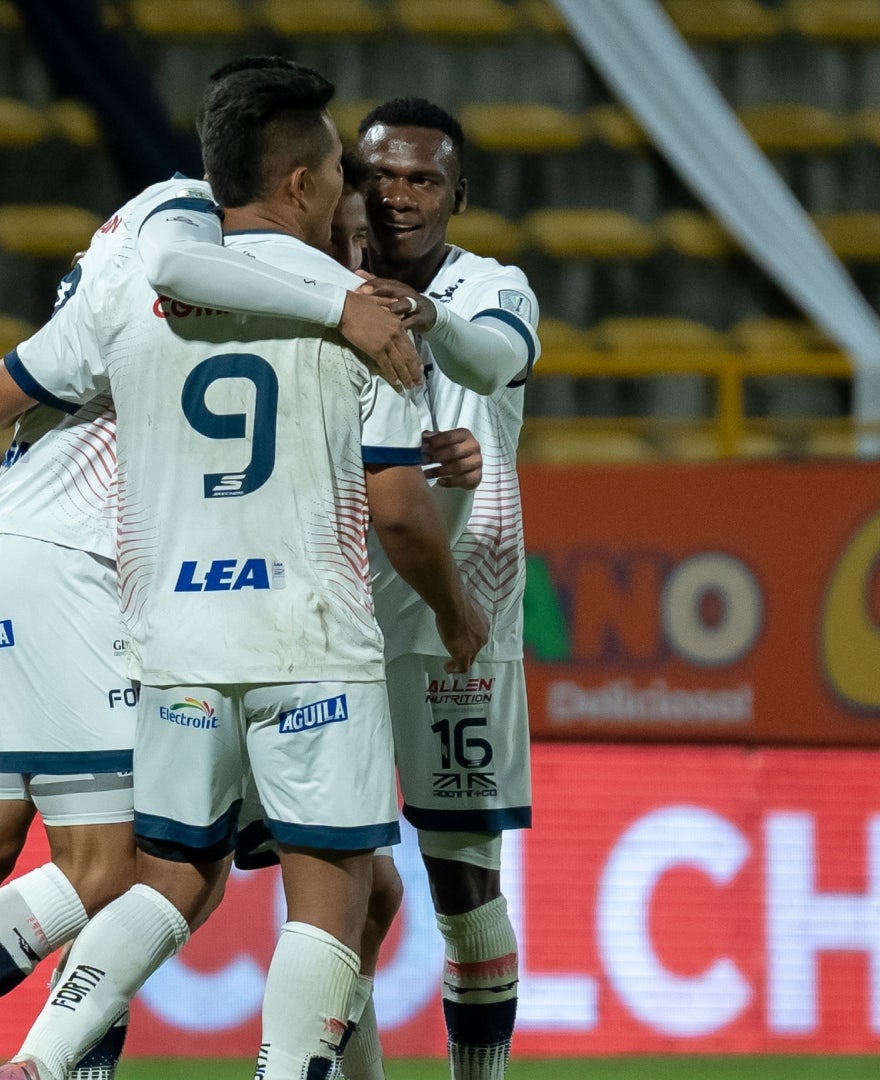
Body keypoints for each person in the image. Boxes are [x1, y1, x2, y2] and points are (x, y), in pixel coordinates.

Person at [0, 59, 437, 1080]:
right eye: (343, 194)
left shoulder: (133, 265)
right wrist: (357, 310)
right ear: (299, 182)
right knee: (140, 871)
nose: (356, 234)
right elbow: (396, 500)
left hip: (54, 568)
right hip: (167, 597)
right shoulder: (267, 275)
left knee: (14, 857)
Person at [0, 62, 486, 1080]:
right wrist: (458, 614)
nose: (353, 188)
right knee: (333, 897)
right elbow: (395, 507)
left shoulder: (145, 293)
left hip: (176, 646)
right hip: (308, 641)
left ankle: (43, 1056)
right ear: (301, 182)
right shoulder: (362, 312)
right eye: (338, 168)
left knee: (168, 880)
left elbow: (1, 397)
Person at [355, 97, 543, 1080]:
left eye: (423, 179)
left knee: (464, 891)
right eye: (381, 175)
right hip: (335, 618)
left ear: (456, 194)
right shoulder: (323, 287)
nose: (400, 196)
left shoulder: (493, 287)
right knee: (336, 884)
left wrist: (428, 316)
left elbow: (499, 357)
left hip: (459, 625)